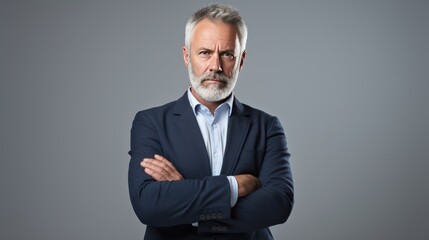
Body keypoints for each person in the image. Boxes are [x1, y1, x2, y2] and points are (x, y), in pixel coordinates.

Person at [128, 3, 294, 240]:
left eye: (227, 54)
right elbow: (148, 204)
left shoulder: (266, 126)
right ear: (187, 56)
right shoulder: (151, 123)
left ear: (241, 60)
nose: (215, 66)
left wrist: (189, 204)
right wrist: (235, 186)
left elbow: (279, 203)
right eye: (205, 52)